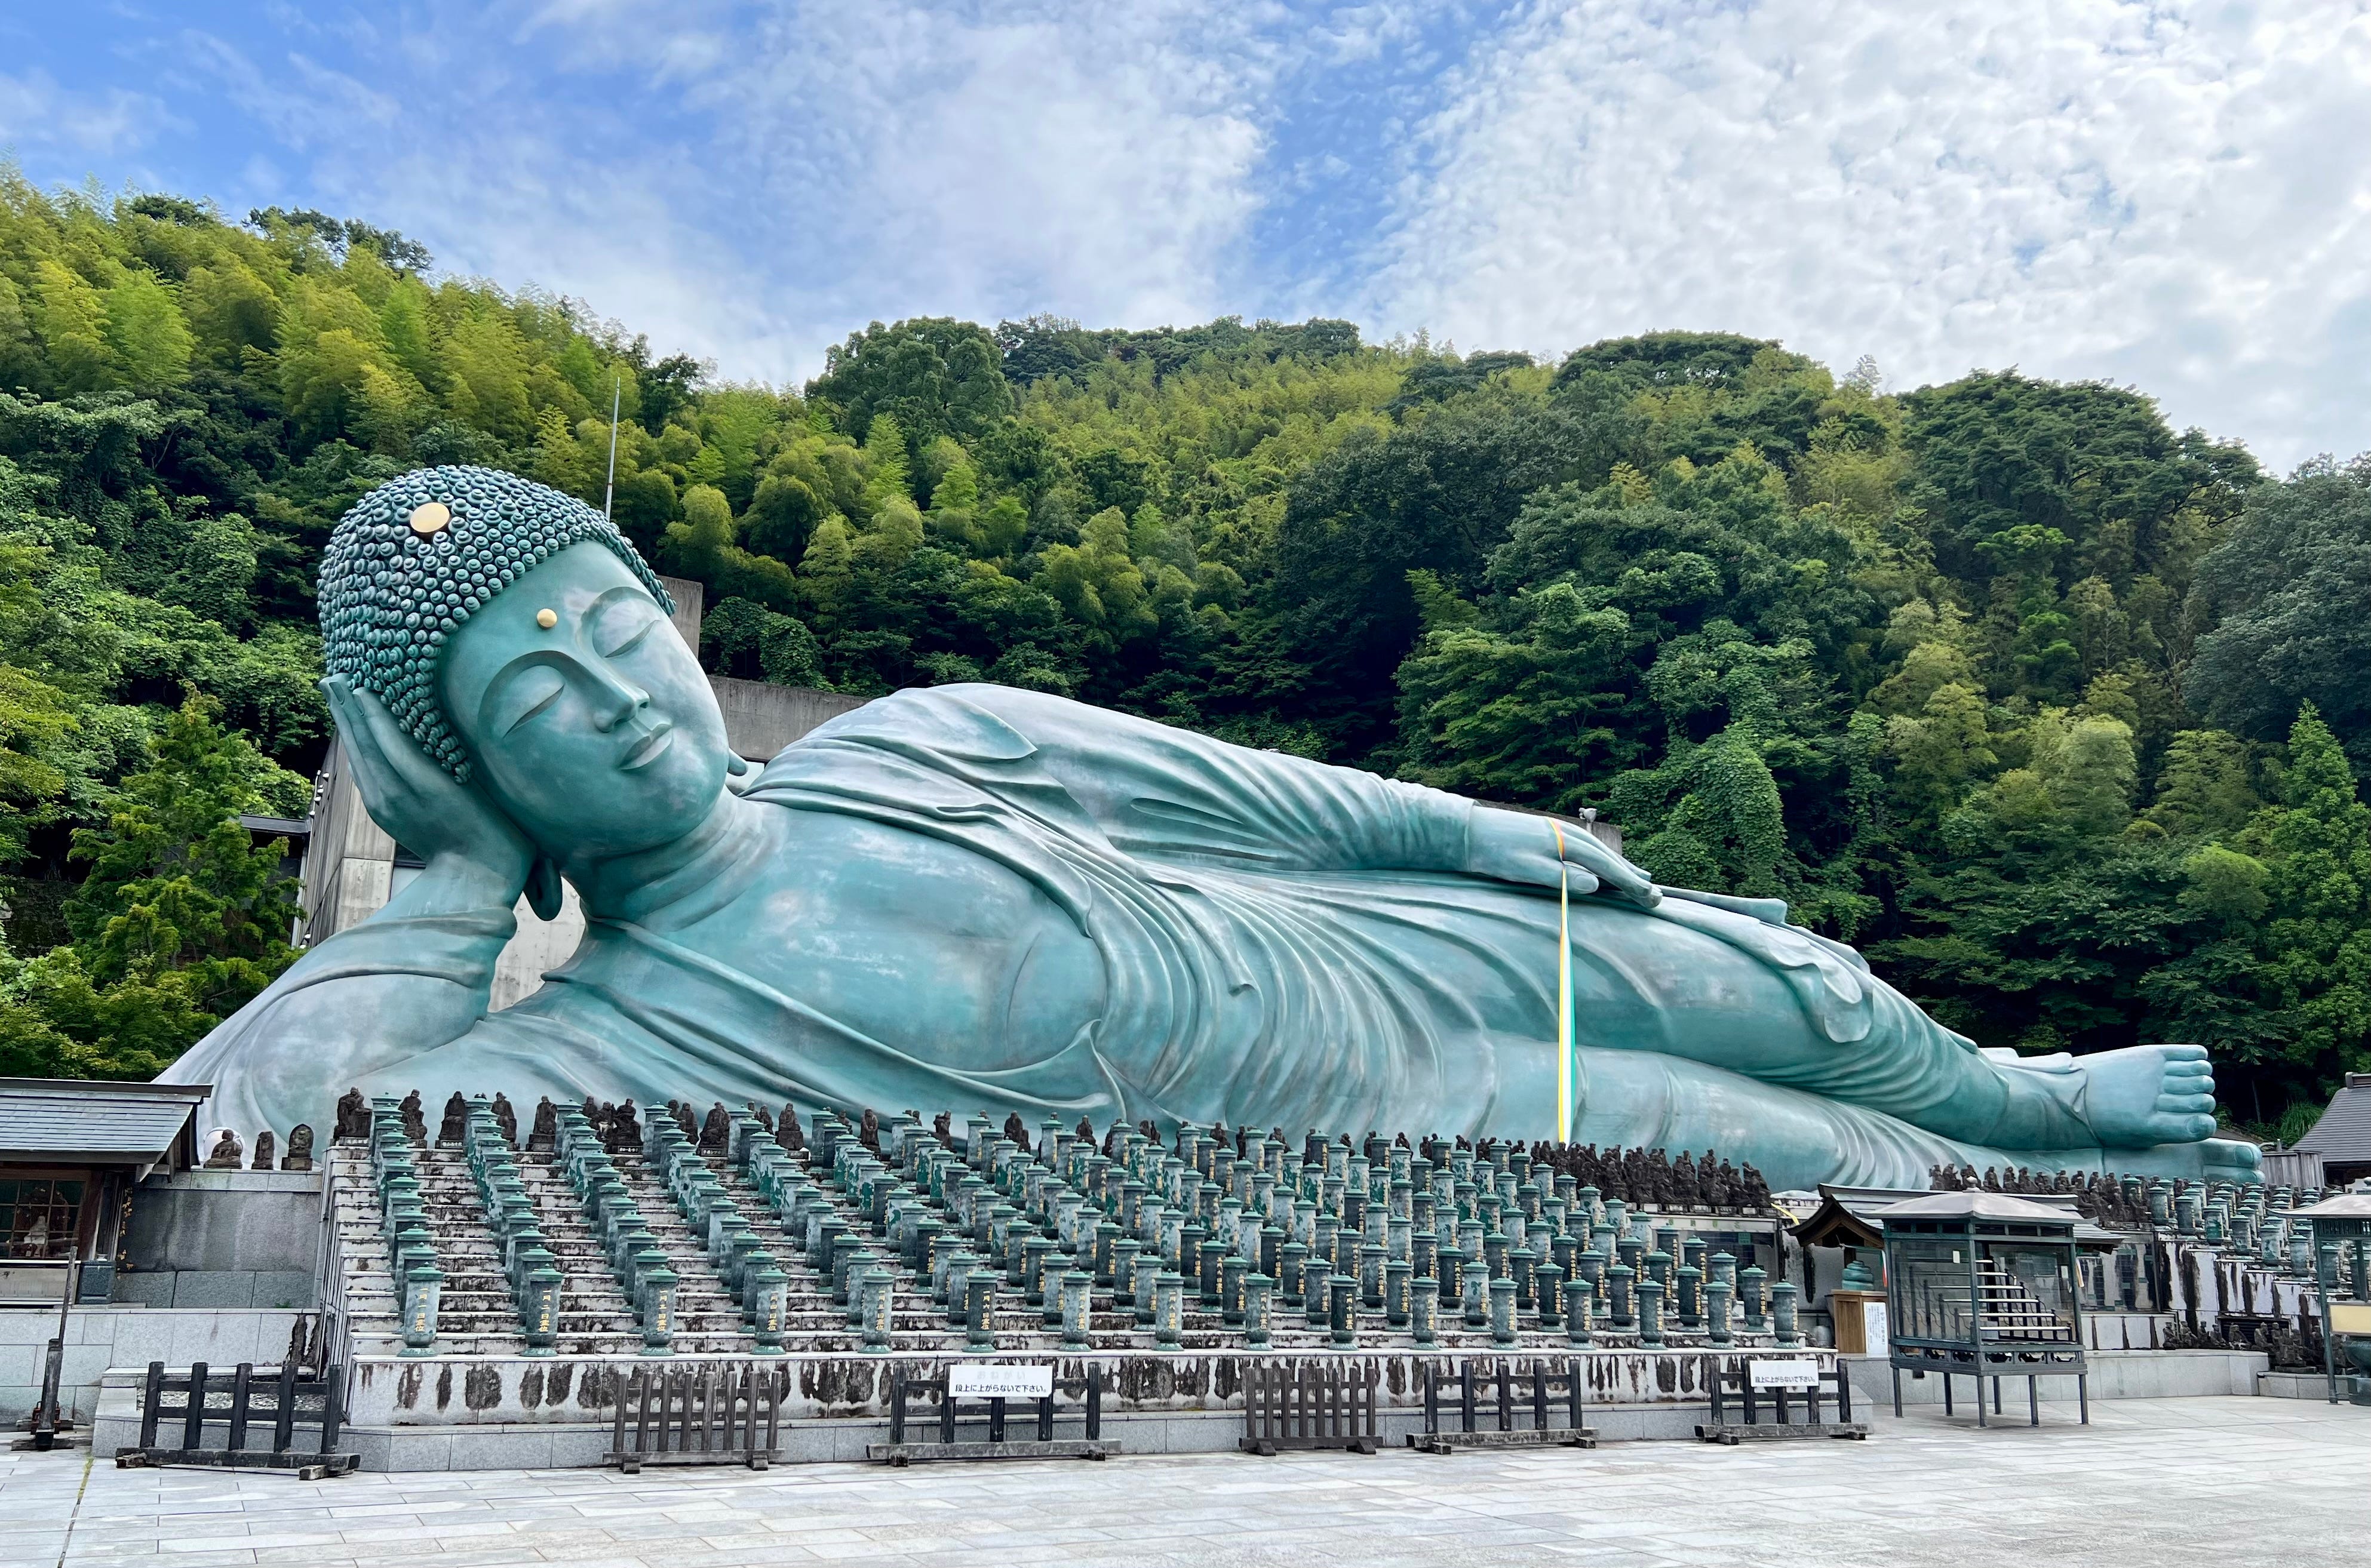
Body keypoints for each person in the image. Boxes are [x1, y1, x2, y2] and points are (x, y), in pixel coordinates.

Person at [163, 468, 2253, 1191]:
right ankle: (2007, 1158)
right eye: (543, 702)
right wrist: (437, 888)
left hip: (1343, 943)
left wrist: (1484, 827)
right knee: (1797, 1152)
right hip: (1370, 1109)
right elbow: (249, 1139)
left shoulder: (921, 735)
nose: (626, 698)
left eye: (626, 632)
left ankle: (2023, 1087)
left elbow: (1247, 788)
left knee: (1739, 973)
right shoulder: (599, 1036)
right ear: (477, 770)